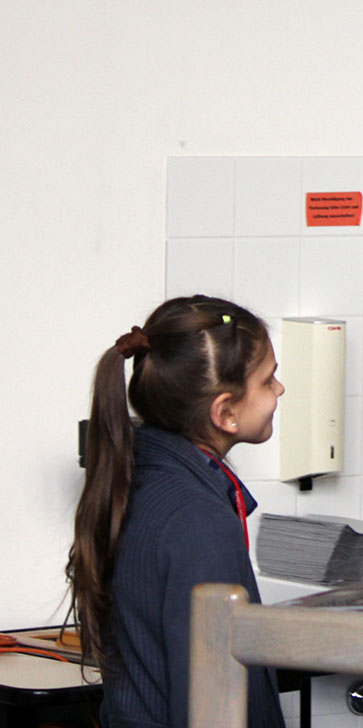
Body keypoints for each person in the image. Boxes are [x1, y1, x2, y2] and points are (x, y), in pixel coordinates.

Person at [67, 295, 287, 728]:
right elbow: (210, 699)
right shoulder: (196, 520)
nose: (279, 389)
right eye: (268, 380)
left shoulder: (144, 480)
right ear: (225, 412)